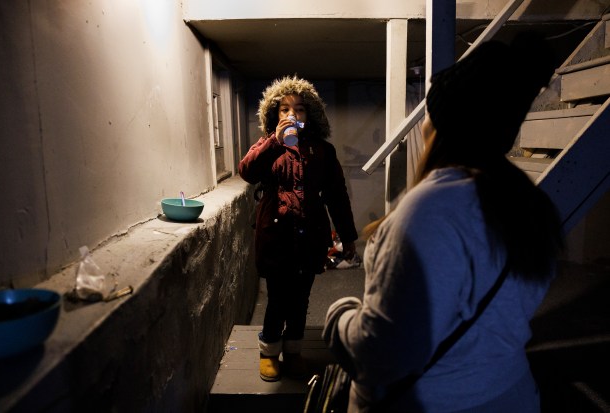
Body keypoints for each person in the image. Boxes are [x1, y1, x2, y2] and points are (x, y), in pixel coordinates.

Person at [323, 33, 564, 412]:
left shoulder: (431, 212)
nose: (421, 126)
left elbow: (384, 351)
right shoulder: (527, 204)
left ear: (443, 126)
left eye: (426, 114)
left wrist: (339, 317)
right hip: (510, 394)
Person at [239, 75, 358, 382]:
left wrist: (347, 236)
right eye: (284, 109)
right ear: (274, 115)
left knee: (301, 298)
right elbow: (247, 172)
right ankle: (269, 352)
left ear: (310, 115)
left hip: (311, 234)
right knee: (277, 296)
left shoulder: (322, 151)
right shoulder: (268, 145)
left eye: (300, 109)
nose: (292, 114)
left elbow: (336, 195)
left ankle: (293, 351)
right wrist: (276, 141)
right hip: (276, 235)